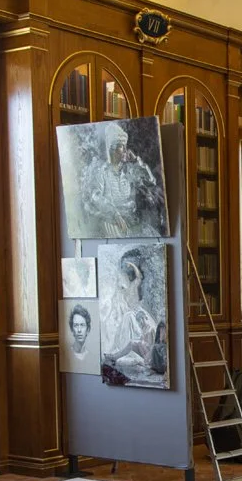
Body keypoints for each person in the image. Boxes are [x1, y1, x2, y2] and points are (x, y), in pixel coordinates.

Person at [81, 124, 165, 238]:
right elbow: (96, 196)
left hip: (132, 221)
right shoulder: (102, 171)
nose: (126, 150)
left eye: (125, 146)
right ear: (112, 149)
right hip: (111, 223)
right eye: (121, 146)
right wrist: (114, 214)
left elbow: (151, 182)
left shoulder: (129, 170)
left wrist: (136, 160)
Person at [100, 249, 158, 384]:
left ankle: (120, 355)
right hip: (130, 315)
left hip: (135, 316)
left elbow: (139, 277)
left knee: (128, 319)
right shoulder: (124, 291)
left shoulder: (134, 286)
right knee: (125, 320)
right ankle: (118, 353)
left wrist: (132, 266)